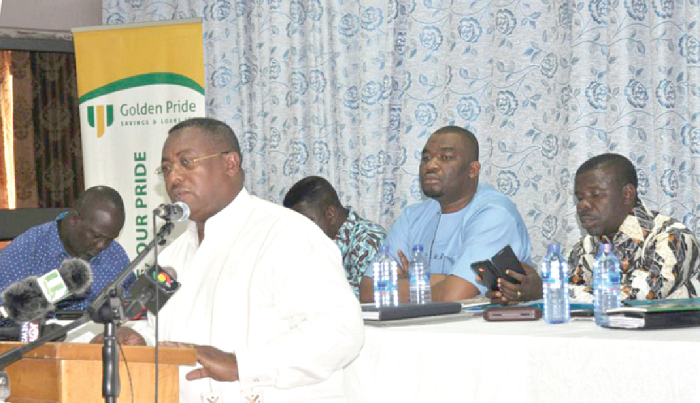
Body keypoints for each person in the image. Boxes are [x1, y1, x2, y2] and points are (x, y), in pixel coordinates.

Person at [127, 118, 364, 402]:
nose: (174, 178)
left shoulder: (287, 234)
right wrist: (136, 337)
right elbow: (146, 321)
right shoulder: (170, 256)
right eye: (166, 168)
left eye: (186, 162)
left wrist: (242, 364)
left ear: (230, 163)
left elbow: (339, 331)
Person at [489, 153, 700, 303]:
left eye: (595, 195)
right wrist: (518, 291)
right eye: (579, 198)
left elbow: (637, 298)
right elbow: (568, 294)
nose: (582, 205)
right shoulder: (586, 247)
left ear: (627, 194)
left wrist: (548, 291)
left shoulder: (671, 238)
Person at [358, 126, 532, 302]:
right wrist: (443, 280)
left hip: (479, 328)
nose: (431, 165)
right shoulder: (411, 217)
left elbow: (454, 295)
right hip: (418, 327)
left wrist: (408, 283)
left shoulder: (494, 213)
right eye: (426, 158)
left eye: (446, 158)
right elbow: (367, 292)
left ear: (473, 170)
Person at [0, 186, 133, 315]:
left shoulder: (115, 255)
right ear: (74, 220)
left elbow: (131, 310)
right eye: (97, 236)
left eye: (110, 239)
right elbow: (4, 317)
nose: (102, 246)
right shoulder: (25, 252)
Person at [283, 176, 387, 298]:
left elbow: (366, 300)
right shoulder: (312, 243)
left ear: (330, 215)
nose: (300, 230)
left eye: (307, 222)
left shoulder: (369, 240)